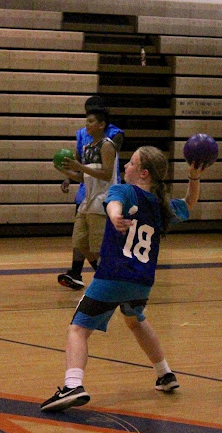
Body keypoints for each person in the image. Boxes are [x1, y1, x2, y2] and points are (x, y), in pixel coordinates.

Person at [41, 146, 207, 412]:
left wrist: (115, 215)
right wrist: (194, 177)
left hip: (113, 276)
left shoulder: (124, 190)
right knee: (135, 320)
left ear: (143, 173)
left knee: (78, 328)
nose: (126, 166)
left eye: (131, 163)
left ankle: (72, 385)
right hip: (142, 282)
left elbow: (114, 203)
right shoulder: (161, 204)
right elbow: (189, 204)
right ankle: (165, 374)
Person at [58, 97, 124, 291]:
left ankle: (109, 279)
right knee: (80, 242)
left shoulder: (107, 145)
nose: (86, 125)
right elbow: (83, 177)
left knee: (98, 247)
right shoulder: (87, 148)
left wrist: (79, 167)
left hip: (102, 200)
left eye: (90, 121)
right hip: (88, 199)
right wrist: (67, 173)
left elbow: (106, 174)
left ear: (101, 125)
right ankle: (104, 275)